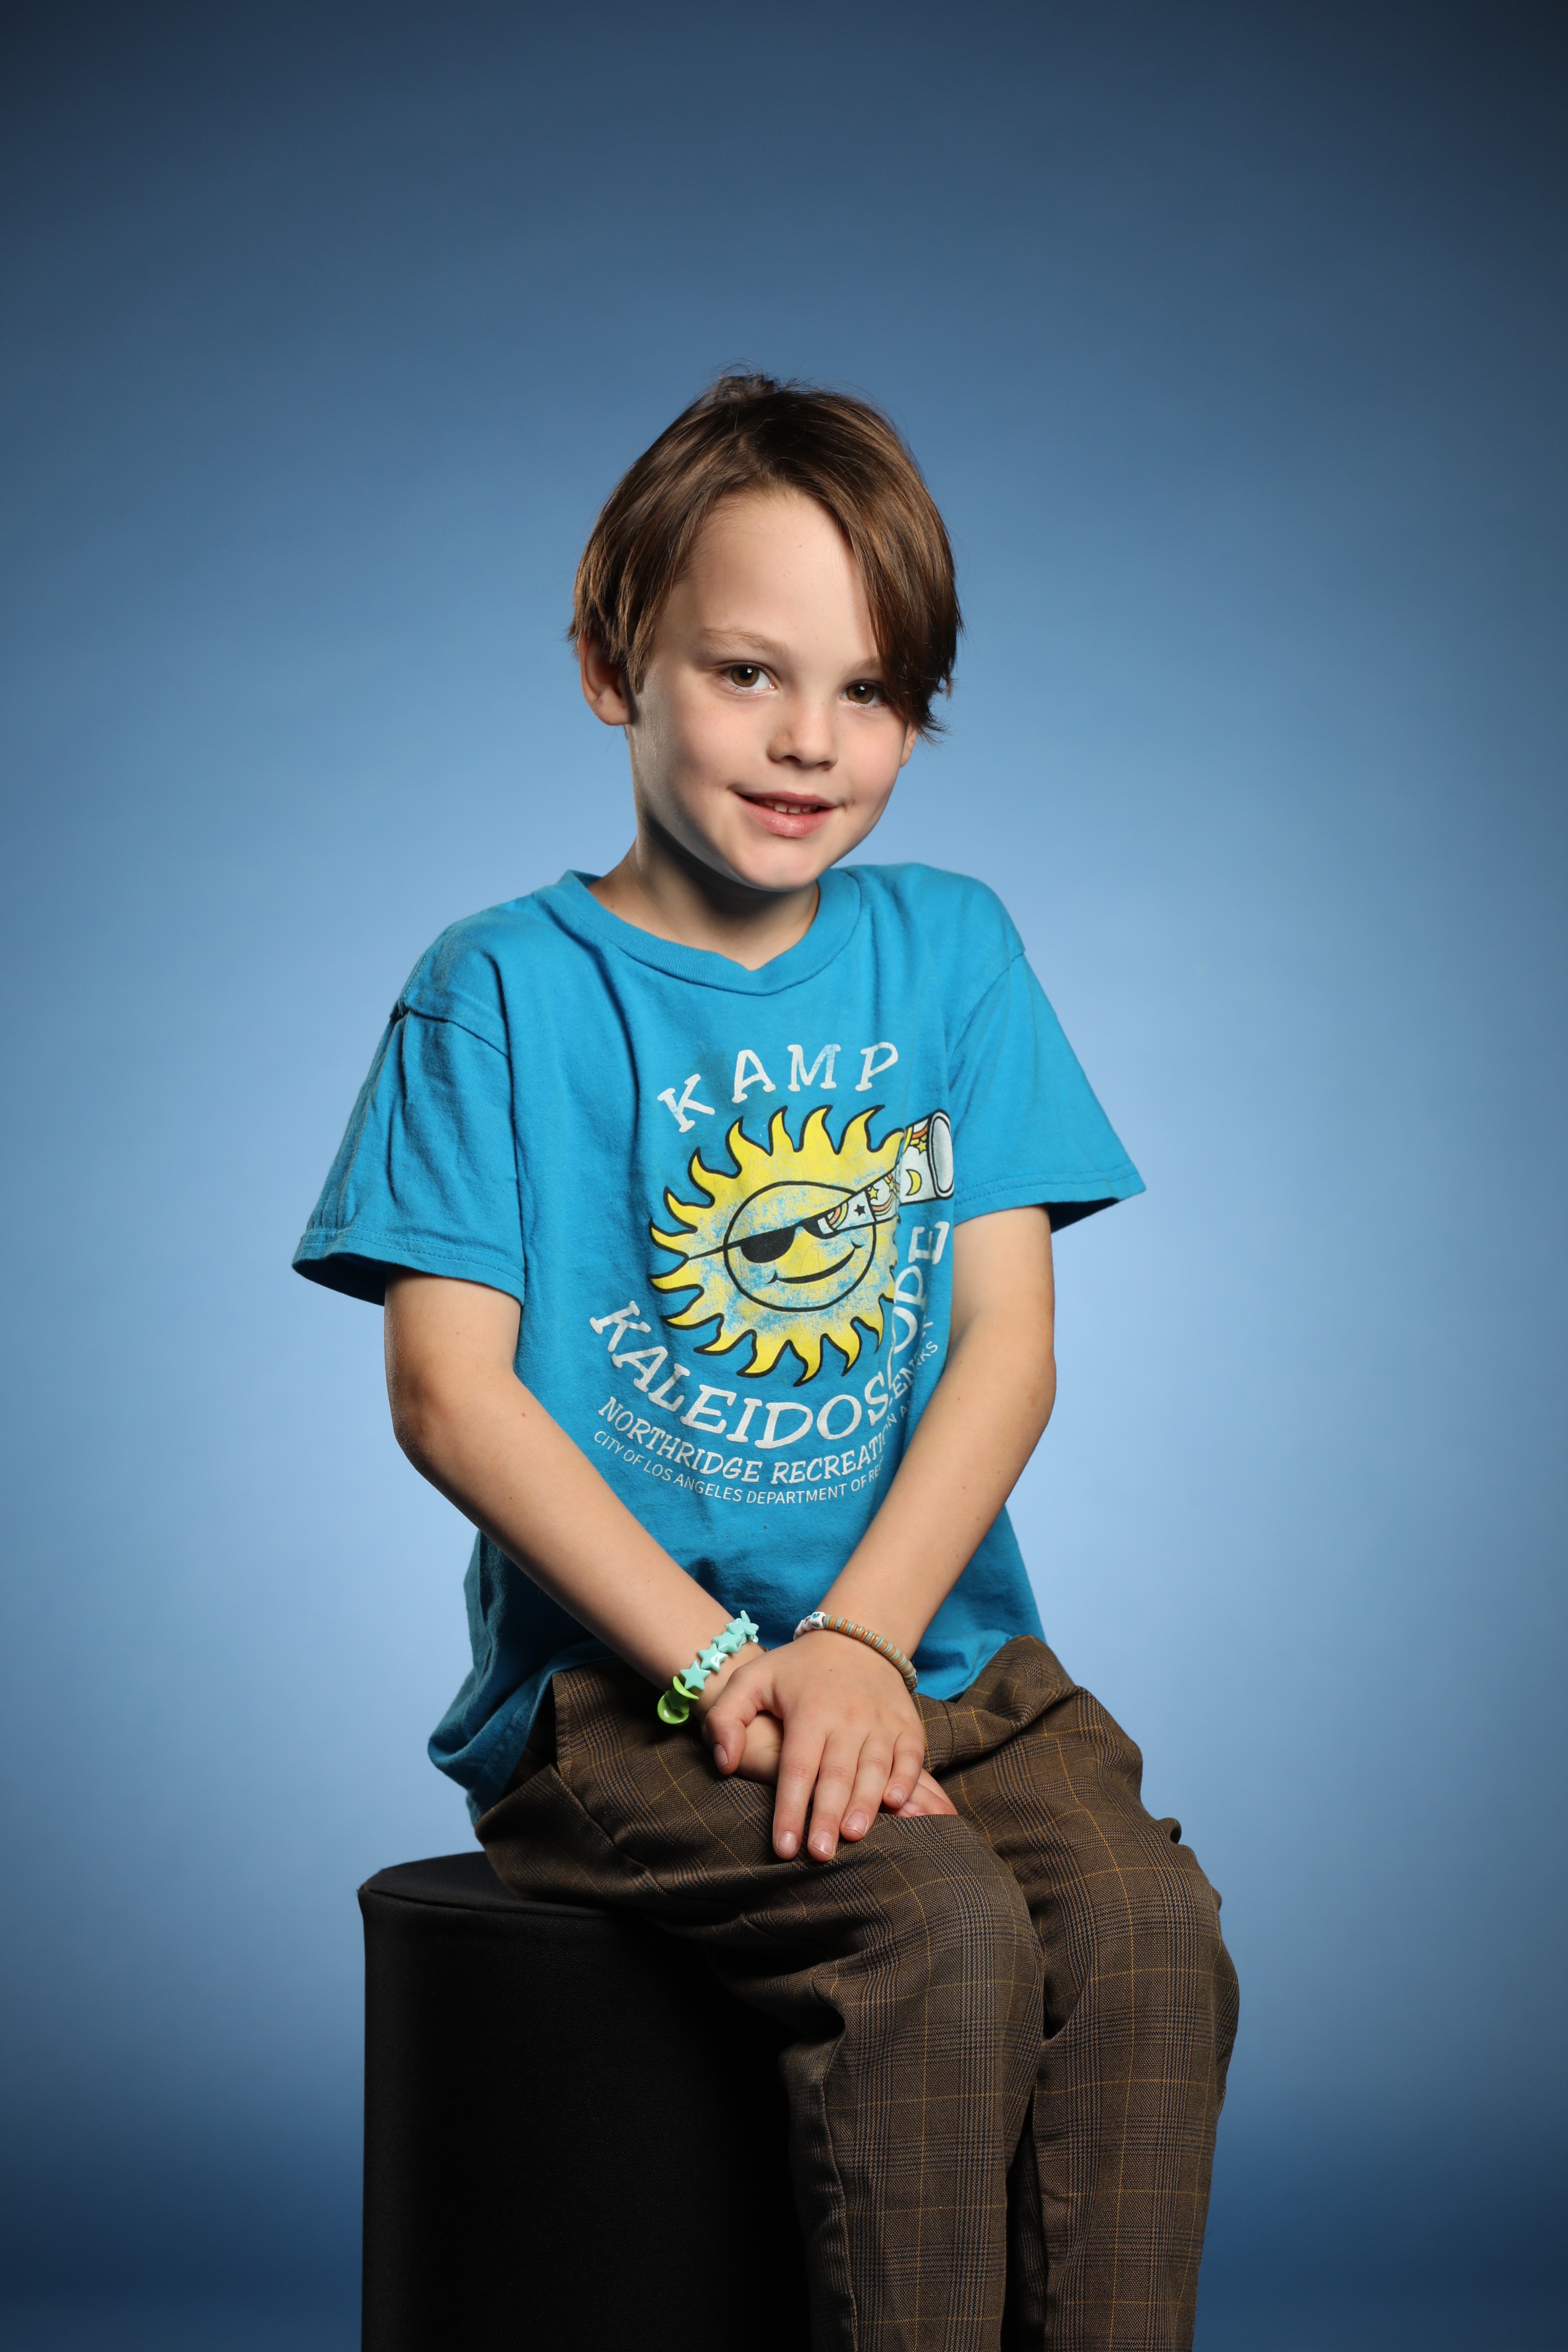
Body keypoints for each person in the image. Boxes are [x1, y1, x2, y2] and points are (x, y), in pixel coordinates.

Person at [295, 373, 1238, 2351]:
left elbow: (1004, 1346)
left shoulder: (954, 953)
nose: (814, 739)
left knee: (1150, 1940)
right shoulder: (499, 991)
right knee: (941, 1935)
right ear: (609, 665)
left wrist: (867, 1647)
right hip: (630, 1692)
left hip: (940, 1664)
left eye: (872, 691)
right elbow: (450, 1393)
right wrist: (733, 1671)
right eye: (749, 672)